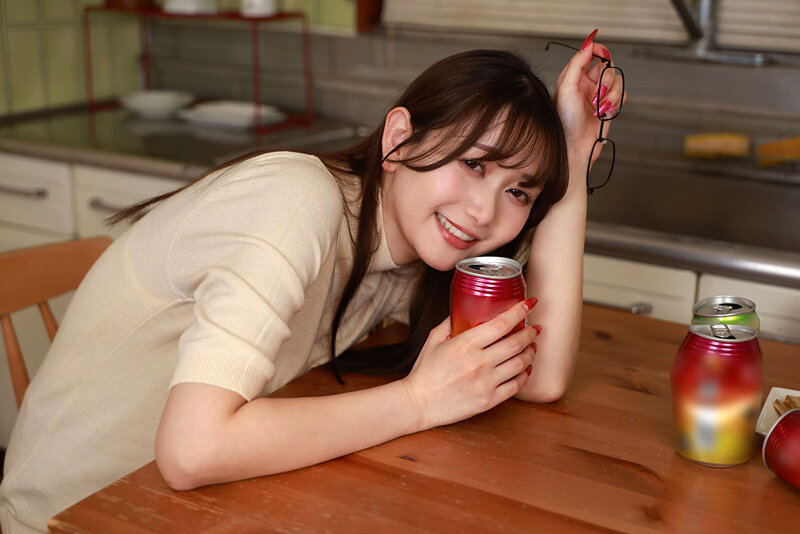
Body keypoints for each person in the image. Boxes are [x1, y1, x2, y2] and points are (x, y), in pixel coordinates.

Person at [0, 30, 624, 533]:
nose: (485, 211)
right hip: (72, 515)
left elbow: (538, 378)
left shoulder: (410, 254)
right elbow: (192, 450)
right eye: (473, 163)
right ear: (400, 139)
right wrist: (417, 401)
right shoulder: (297, 201)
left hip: (190, 506)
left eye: (519, 191)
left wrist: (573, 159)